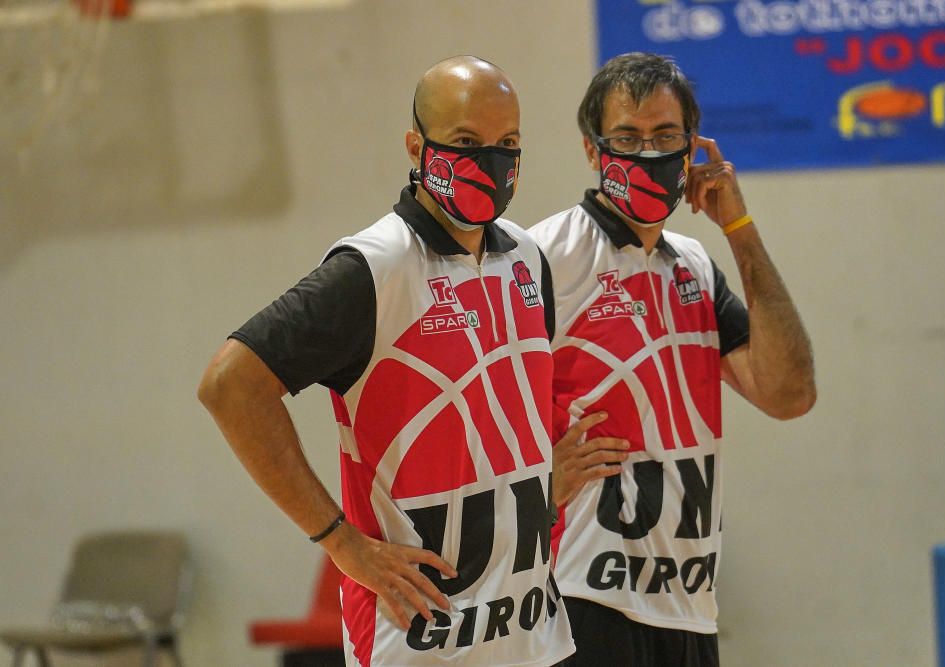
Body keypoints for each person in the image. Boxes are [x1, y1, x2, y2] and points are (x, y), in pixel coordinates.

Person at [198, 55, 574, 667]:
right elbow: (229, 385)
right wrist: (341, 543)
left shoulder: (527, 258)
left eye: (508, 143)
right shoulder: (373, 267)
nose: (492, 160)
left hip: (532, 635)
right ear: (416, 146)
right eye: (466, 141)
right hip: (422, 642)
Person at [528, 53, 816, 666]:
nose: (646, 153)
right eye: (627, 138)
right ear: (592, 150)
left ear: (692, 148)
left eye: (664, 136)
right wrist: (533, 484)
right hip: (579, 597)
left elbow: (789, 394)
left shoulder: (694, 264)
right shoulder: (543, 256)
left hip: (688, 603)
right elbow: (476, 399)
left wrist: (737, 227)